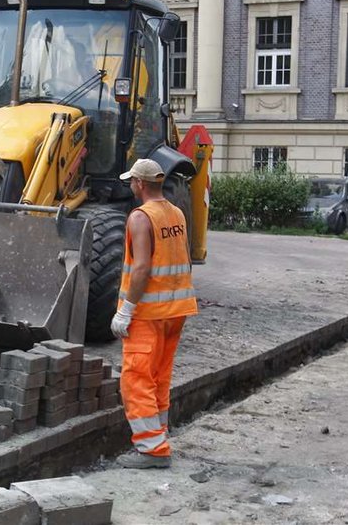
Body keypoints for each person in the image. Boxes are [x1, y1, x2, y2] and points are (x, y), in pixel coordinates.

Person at [111, 158, 198, 469]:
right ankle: (158, 434)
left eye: (132, 181)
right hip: (177, 309)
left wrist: (125, 311)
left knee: (135, 378)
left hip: (149, 312)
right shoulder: (175, 213)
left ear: (141, 184)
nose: (131, 186)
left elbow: (143, 268)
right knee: (159, 376)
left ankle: (152, 450)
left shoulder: (140, 217)